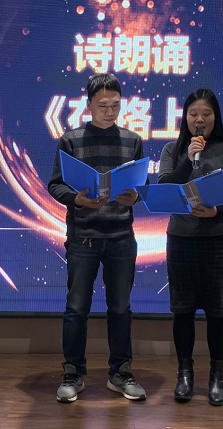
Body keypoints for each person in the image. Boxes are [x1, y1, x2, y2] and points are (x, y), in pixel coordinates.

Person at [48, 73, 147, 403]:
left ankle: (120, 373)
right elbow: (56, 184)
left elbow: (141, 185)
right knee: (77, 308)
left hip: (121, 236)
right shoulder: (71, 140)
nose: (110, 111)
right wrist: (77, 199)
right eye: (103, 105)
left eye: (115, 105)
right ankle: (73, 374)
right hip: (83, 237)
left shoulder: (132, 140)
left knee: (120, 308)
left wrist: (136, 196)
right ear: (88, 104)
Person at [158, 89, 223, 405]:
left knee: (218, 312)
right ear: (185, 117)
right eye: (193, 114)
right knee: (182, 311)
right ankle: (184, 374)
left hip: (218, 241)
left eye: (206, 114)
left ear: (216, 117)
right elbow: (165, 187)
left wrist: (216, 211)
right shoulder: (172, 150)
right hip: (181, 240)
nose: (200, 119)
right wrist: (188, 158)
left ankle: (216, 376)